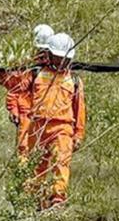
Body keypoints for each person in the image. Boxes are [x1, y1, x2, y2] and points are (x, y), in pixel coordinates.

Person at [21, 32, 86, 209]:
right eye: (57, 57)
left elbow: (79, 109)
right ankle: (33, 198)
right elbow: (19, 94)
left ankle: (57, 198)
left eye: (63, 58)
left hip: (62, 128)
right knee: (36, 164)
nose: (60, 62)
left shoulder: (74, 80)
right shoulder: (36, 73)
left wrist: (78, 134)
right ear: (48, 54)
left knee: (61, 163)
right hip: (37, 126)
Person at [0, 24, 52, 158]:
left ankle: (37, 177)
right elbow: (15, 89)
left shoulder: (56, 67)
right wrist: (13, 109)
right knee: (24, 147)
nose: (42, 53)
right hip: (27, 112)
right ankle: (22, 175)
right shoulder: (25, 63)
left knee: (44, 150)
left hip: (47, 113)